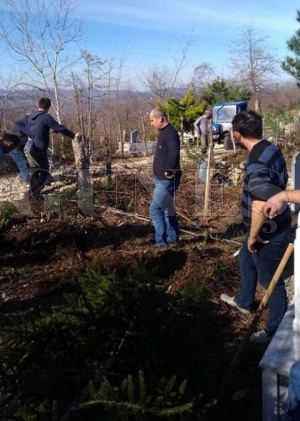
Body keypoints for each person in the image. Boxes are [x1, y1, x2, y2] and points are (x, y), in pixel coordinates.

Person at [220, 110, 291, 345]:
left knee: (271, 282)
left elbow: (260, 203)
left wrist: (253, 235)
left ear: (238, 134)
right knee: (245, 260)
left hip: (266, 231)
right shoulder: (270, 148)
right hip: (272, 224)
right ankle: (243, 302)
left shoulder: (256, 163)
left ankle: (275, 332)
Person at [15, 97, 81, 195]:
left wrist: (29, 133)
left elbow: (18, 123)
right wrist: (73, 135)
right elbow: (60, 128)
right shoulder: (46, 117)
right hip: (37, 150)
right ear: (48, 107)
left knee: (35, 171)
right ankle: (33, 193)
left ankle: (34, 193)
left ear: (38, 105)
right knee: (44, 173)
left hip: (28, 148)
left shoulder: (30, 116)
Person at [149, 108, 181, 247]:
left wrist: (169, 169)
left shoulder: (170, 133)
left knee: (155, 209)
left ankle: (161, 243)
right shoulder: (165, 133)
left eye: (152, 120)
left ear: (160, 119)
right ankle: (172, 237)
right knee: (168, 208)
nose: (151, 123)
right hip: (161, 178)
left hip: (166, 179)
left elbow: (174, 153)